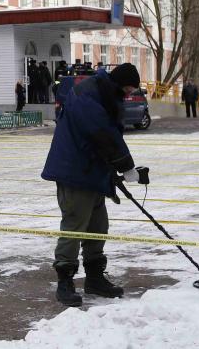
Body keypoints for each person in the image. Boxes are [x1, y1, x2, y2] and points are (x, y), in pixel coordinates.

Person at [41, 62, 147, 307]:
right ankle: (65, 282)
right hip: (74, 171)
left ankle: (95, 278)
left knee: (98, 225)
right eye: (129, 88)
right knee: (75, 225)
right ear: (120, 83)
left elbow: (107, 135)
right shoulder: (89, 95)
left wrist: (113, 168)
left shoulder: (103, 92)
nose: (129, 94)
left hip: (91, 171)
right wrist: (125, 165)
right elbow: (102, 133)